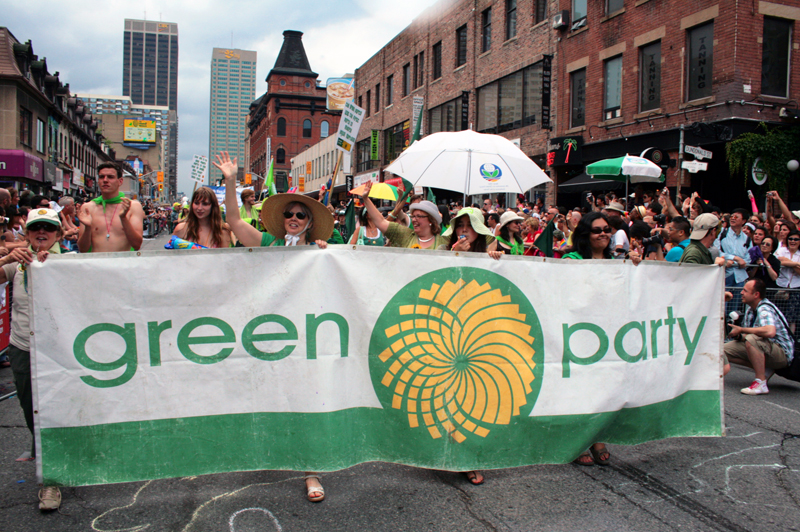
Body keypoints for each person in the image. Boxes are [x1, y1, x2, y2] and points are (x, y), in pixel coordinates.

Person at [214, 151, 330, 501]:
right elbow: (233, 220)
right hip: (269, 335)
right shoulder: (268, 244)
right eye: (289, 214)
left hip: (306, 337)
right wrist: (232, 181)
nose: (293, 218)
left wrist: (325, 252)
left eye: (300, 215)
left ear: (309, 223)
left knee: (309, 402)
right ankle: (269, 451)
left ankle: (311, 472)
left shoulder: (321, 251)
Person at [1, 208, 65, 509]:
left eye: (48, 228)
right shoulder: (17, 265)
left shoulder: (71, 263)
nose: (42, 232)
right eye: (36, 227)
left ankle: (50, 483)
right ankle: (47, 462)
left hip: (60, 352)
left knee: (56, 413)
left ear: (59, 234)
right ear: (27, 233)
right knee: (33, 413)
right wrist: (7, 259)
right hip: (23, 349)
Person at [562, 211, 613, 465]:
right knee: (581, 388)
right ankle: (578, 441)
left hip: (608, 333)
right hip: (579, 332)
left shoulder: (618, 262)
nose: (603, 233)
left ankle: (597, 436)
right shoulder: (571, 259)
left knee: (602, 387)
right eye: (597, 230)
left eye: (606, 228)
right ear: (585, 234)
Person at [724, 279, 794, 395]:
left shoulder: (764, 308)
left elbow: (770, 331)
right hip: (766, 348)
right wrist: (738, 335)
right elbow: (748, 335)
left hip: (782, 354)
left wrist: (742, 329)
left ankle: (760, 382)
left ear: (756, 294)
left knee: (752, 340)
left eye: (745, 291)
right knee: (722, 350)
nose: (741, 293)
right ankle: (765, 368)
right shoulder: (750, 310)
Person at [76, 162, 144, 252]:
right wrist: (88, 228)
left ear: (120, 181)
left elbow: (137, 245)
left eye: (110, 177)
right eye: (101, 177)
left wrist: (123, 218)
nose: (105, 180)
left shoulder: (133, 206)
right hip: (95, 264)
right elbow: (83, 250)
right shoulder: (88, 208)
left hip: (122, 264)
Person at [361, 182, 446, 250]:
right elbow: (381, 221)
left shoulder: (444, 242)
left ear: (431, 220)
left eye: (419, 216)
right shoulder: (405, 235)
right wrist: (366, 199)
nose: (414, 220)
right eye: (413, 216)